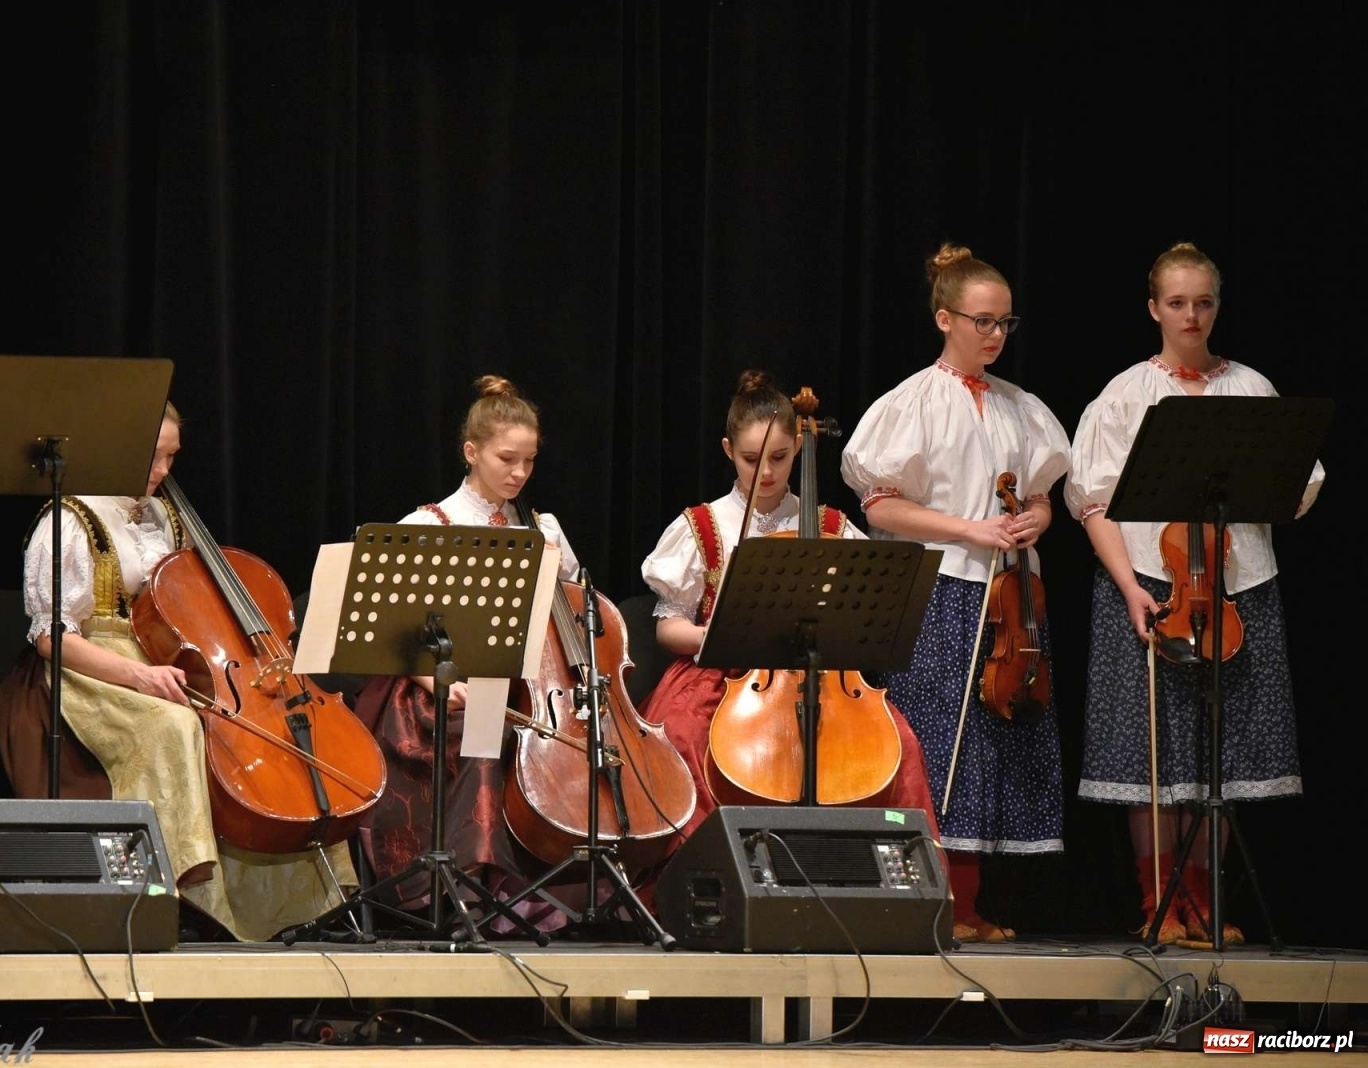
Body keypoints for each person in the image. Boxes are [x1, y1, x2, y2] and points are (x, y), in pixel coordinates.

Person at [1065, 242, 1324, 946]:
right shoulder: (1124, 394)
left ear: (1217, 307)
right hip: (1150, 582)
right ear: (1154, 308)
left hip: (1238, 586)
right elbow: (1092, 502)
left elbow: (1299, 486)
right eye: (1177, 302)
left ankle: (1206, 902)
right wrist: (1127, 588)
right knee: (1157, 757)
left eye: (1203, 302)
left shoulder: (1251, 388)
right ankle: (1159, 901)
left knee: (1222, 755)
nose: (1191, 315)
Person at [19, 403, 354, 942]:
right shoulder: (69, 518)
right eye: (154, 457)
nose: (164, 472)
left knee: (262, 732)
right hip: (93, 668)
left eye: (172, 457)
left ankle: (300, 903)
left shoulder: (162, 516)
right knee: (176, 727)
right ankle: (185, 896)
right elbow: (50, 638)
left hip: (163, 657)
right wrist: (139, 678)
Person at [840, 243, 1070, 943]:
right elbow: (880, 507)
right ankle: (936, 903)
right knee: (941, 744)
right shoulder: (911, 403)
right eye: (981, 321)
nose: (995, 335)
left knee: (999, 744)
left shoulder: (1021, 408)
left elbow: (1038, 497)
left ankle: (969, 904)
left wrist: (1037, 516)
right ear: (945, 319)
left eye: (1005, 323)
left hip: (1008, 596)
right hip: (941, 589)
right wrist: (969, 528)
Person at [637, 370, 941, 867]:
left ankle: (878, 880)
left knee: (899, 743)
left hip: (819, 681)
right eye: (752, 460)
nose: (768, 473)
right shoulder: (703, 525)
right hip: (720, 676)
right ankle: (708, 879)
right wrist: (715, 634)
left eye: (779, 458)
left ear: (799, 448)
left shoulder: (829, 526)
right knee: (683, 739)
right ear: (727, 450)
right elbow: (666, 624)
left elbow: (866, 614)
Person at [352, 375, 582, 933]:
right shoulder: (430, 525)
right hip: (433, 684)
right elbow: (392, 629)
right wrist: (437, 680)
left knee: (566, 745)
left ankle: (537, 886)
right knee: (483, 730)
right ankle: (471, 888)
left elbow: (575, 611)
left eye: (529, 461)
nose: (519, 474)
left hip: (524, 686)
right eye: (507, 459)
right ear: (471, 452)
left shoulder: (541, 527)